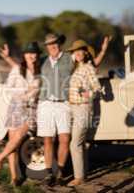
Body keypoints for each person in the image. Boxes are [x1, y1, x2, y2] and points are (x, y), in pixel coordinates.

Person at [37, 33, 109, 186]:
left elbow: (94, 69)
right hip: (67, 106)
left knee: (72, 142)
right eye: (49, 44)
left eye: (55, 43)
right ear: (47, 47)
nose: (53, 46)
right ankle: (70, 174)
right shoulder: (72, 65)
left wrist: (103, 51)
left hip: (77, 107)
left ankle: (73, 176)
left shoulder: (76, 62)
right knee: (71, 142)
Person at [0, 42, 41, 186]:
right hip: (15, 106)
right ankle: (14, 177)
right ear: (24, 55)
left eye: (35, 53)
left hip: (31, 109)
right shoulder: (18, 69)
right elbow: (9, 87)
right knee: (13, 144)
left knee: (18, 137)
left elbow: (37, 90)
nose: (32, 55)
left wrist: (29, 92)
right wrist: (23, 92)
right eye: (29, 53)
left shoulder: (40, 70)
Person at [67, 40, 102, 186]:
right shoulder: (76, 68)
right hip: (73, 108)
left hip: (83, 108)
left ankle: (79, 177)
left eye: (80, 50)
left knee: (75, 144)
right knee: (80, 143)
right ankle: (83, 174)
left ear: (86, 52)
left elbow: (97, 88)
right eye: (75, 51)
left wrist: (86, 93)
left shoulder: (88, 68)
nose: (78, 53)